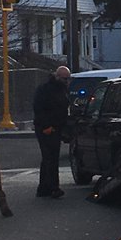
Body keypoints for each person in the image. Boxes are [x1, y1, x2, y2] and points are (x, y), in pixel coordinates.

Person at [32, 64, 71, 198]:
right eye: (64, 78)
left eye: (68, 79)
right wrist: (46, 126)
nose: (66, 81)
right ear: (57, 76)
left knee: (49, 158)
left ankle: (44, 188)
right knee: (51, 158)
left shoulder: (62, 90)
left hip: (56, 127)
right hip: (47, 128)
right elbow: (39, 109)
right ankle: (53, 188)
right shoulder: (45, 90)